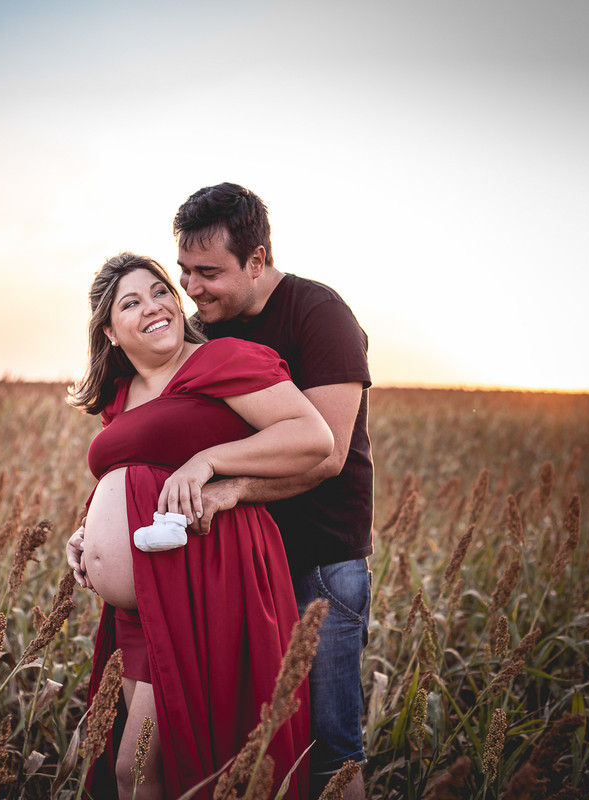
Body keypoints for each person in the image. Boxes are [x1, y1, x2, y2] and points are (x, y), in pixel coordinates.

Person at [67, 252, 333, 800]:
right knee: (139, 768)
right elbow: (133, 475)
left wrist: (209, 460)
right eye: (131, 302)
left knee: (144, 768)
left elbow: (312, 436)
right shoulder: (120, 397)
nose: (154, 307)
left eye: (160, 291)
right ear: (110, 332)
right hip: (136, 605)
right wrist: (87, 530)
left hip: (201, 579)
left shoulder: (219, 361)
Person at [172, 183, 375, 799]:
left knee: (329, 750)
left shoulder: (320, 314)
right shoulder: (203, 327)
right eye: (184, 271)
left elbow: (329, 455)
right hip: (239, 566)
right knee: (252, 746)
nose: (192, 288)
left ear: (256, 261)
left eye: (209, 273)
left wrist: (230, 485)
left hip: (320, 565)